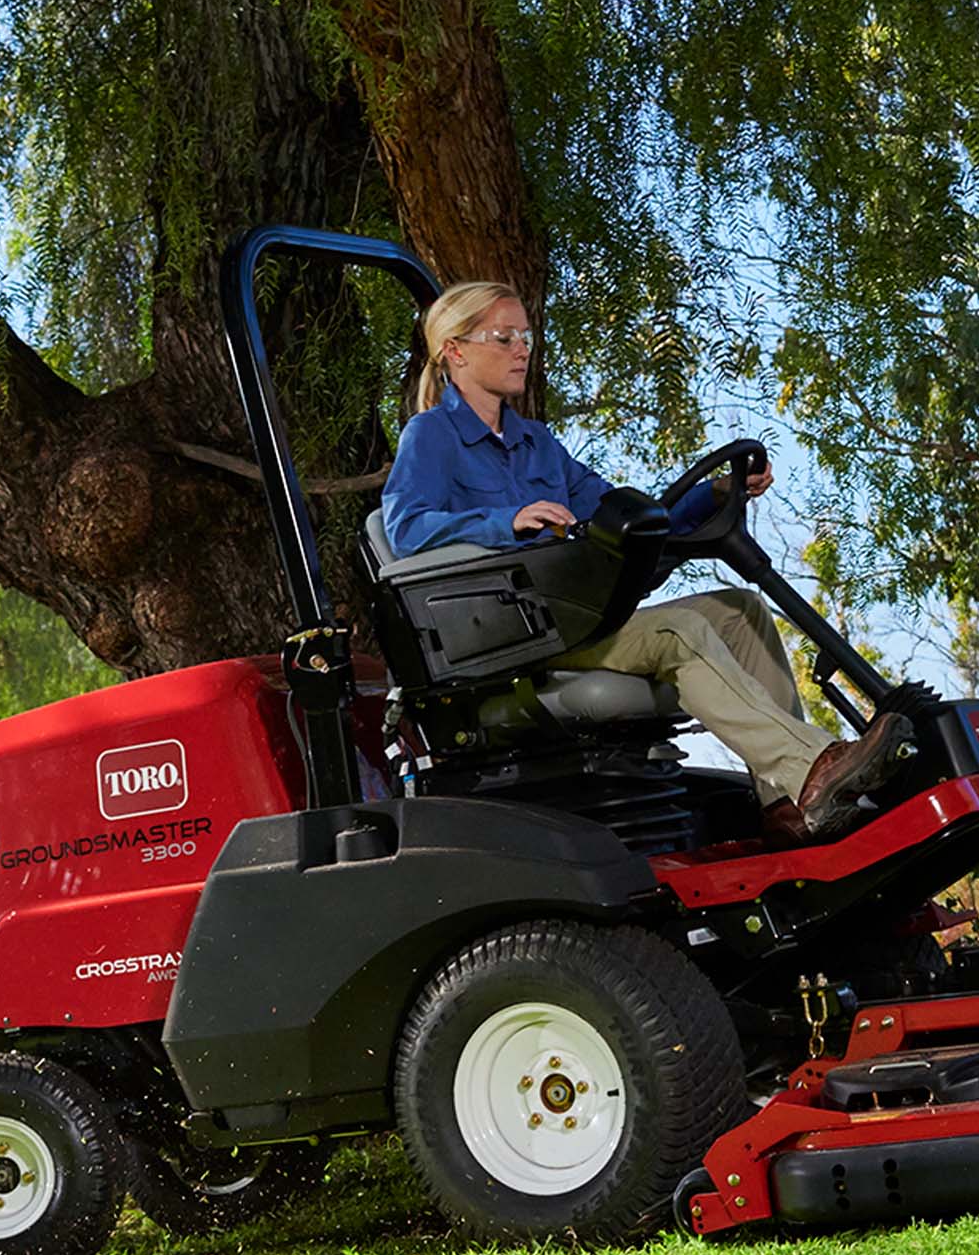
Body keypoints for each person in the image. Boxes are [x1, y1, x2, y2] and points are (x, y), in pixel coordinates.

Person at [380, 280, 907, 840]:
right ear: (455, 350)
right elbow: (406, 527)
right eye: (503, 337)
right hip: (517, 638)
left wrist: (714, 496)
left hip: (578, 619)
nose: (521, 350)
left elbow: (625, 518)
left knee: (742, 610)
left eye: (526, 337)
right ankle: (814, 767)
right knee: (678, 630)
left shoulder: (537, 443)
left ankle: (789, 807)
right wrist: (504, 521)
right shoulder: (431, 436)